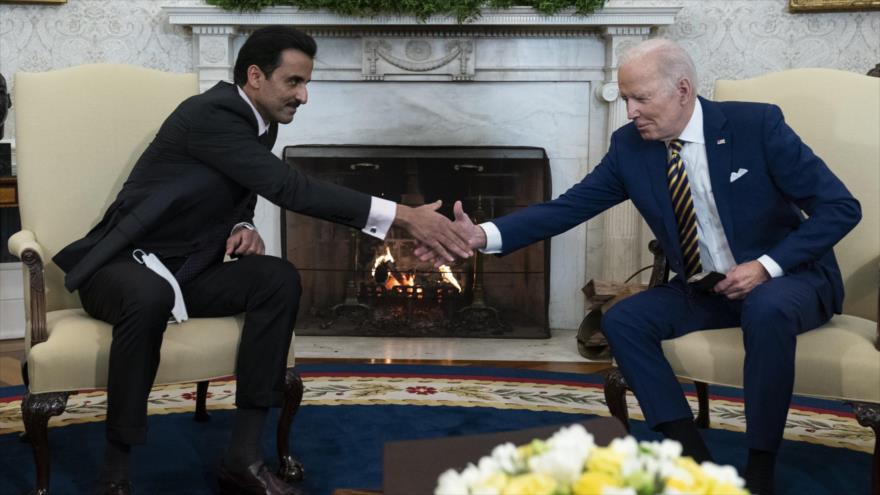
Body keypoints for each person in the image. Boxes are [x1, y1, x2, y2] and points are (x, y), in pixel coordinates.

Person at [424, 38, 861, 495]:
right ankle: (691, 455)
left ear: (683, 90)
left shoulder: (757, 125)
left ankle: (760, 466)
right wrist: (483, 236)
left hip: (789, 281)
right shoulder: (631, 148)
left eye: (640, 98)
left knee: (767, 309)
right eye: (625, 98)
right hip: (707, 289)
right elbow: (568, 207)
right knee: (623, 320)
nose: (629, 111)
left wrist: (766, 266)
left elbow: (840, 207)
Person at [53, 26, 471, 495]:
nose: (304, 96)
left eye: (306, 83)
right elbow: (288, 187)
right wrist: (401, 216)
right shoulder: (211, 114)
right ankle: (115, 473)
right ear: (255, 75)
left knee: (277, 279)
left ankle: (243, 457)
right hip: (125, 266)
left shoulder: (261, 121)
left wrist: (243, 226)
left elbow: (239, 188)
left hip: (188, 272)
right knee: (148, 296)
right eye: (294, 82)